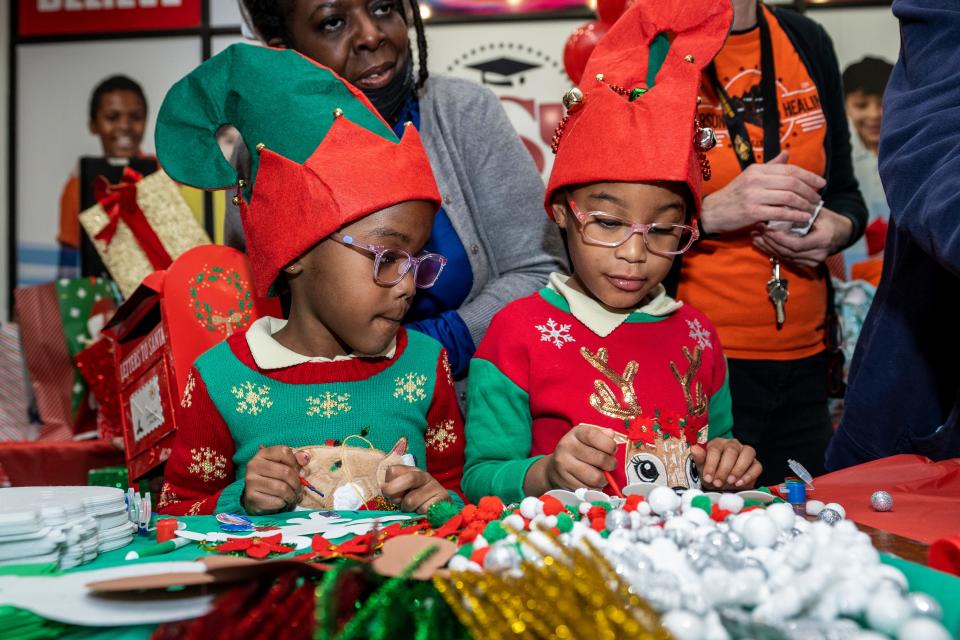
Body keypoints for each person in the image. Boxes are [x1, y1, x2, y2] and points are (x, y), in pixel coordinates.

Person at [462, 0, 761, 504]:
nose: (635, 253)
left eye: (665, 230)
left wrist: (729, 460)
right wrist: (547, 475)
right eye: (606, 223)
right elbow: (479, 478)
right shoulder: (517, 334)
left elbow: (720, 442)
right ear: (561, 210)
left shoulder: (698, 334)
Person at [153, 44, 465, 516]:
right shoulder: (221, 379)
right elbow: (175, 510)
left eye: (417, 261)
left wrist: (440, 502)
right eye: (386, 257)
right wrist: (239, 498)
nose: (407, 285)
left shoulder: (424, 367)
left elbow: (454, 492)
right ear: (294, 254)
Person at [233, 0, 566, 387]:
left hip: (473, 407)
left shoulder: (463, 112)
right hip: (324, 407)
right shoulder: (264, 151)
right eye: (333, 22)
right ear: (283, 49)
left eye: (382, 8)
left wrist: (422, 351)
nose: (372, 35)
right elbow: (264, 311)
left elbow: (541, 271)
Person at [677, 0, 867, 486]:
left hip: (807, 358)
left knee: (808, 533)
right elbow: (615, 219)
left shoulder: (805, 38)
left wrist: (837, 231)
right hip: (698, 365)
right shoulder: (661, 47)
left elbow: (846, 193)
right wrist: (710, 213)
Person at [826, 0, 960, 469]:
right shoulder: (890, 161)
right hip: (883, 318)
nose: (871, 115)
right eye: (859, 105)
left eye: (877, 103)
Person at [58, 75, 147, 277]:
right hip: (97, 302)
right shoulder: (77, 186)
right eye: (112, 117)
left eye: (136, 116)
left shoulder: (163, 175)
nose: (125, 126)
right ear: (93, 125)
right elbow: (68, 268)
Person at [842, 56, 895, 284]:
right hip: (855, 281)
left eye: (882, 103)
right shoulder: (842, 163)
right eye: (862, 105)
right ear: (845, 105)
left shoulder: (911, 157)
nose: (874, 114)